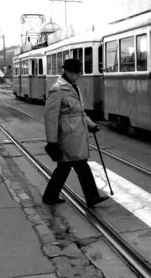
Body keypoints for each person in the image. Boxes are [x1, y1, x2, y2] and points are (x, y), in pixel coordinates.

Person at [42, 58, 110, 208]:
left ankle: (51, 196)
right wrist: (52, 141)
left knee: (67, 167)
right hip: (67, 137)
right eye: (76, 73)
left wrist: (91, 125)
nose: (78, 75)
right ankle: (91, 196)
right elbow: (50, 118)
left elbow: (80, 112)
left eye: (79, 73)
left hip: (76, 135)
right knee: (77, 166)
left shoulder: (74, 88)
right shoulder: (57, 89)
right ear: (67, 71)